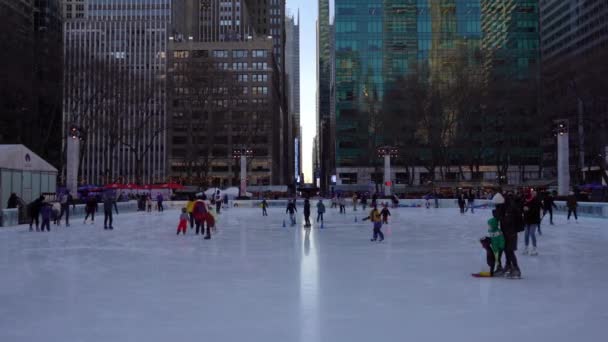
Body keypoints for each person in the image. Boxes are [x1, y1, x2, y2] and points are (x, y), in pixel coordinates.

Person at [501, 194, 523, 279]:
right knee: (506, 250)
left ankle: (516, 268)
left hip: (511, 233)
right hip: (507, 233)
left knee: (509, 251)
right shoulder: (506, 208)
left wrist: (501, 216)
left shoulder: (511, 209)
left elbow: (508, 221)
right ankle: (508, 266)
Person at [523, 191, 541, 255]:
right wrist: (525, 210)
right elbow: (524, 209)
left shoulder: (536, 201)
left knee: (532, 233)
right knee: (526, 234)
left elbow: (534, 211)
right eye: (532, 194)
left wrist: (527, 210)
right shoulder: (526, 201)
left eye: (534, 194)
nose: (532, 195)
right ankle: (526, 247)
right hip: (527, 220)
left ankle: (534, 248)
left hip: (534, 220)